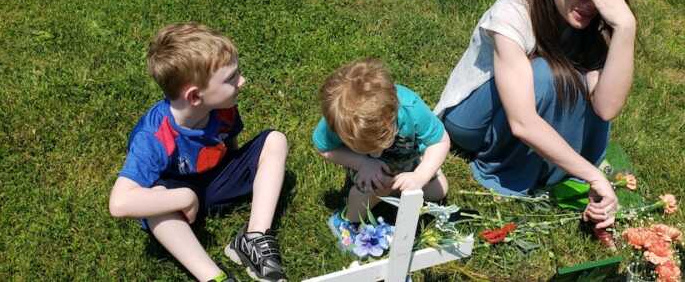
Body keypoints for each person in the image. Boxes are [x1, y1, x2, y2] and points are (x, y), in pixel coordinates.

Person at [434, 0, 635, 229]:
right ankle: (516, 169)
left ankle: (547, 167)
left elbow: (605, 108)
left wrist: (624, 27)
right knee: (546, 74)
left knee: (567, 78)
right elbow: (523, 122)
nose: (589, 4)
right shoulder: (513, 11)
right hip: (471, 121)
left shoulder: (598, 24)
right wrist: (592, 175)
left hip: (522, 109)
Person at [108, 22, 289, 282]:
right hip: (177, 204)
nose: (242, 81)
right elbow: (119, 203)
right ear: (194, 97)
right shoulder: (154, 137)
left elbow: (231, 146)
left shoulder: (224, 107)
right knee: (154, 201)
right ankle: (213, 277)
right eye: (231, 78)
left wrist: (241, 171)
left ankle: (254, 237)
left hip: (214, 183)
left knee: (275, 140)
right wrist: (184, 197)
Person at [312, 58, 450, 246]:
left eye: (381, 142)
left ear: (393, 114)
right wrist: (362, 162)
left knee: (439, 190)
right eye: (365, 146)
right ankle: (346, 222)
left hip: (407, 158)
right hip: (368, 169)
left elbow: (441, 140)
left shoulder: (411, 109)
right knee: (365, 194)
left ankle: (395, 190)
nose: (376, 152)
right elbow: (323, 148)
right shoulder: (338, 121)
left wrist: (421, 174)